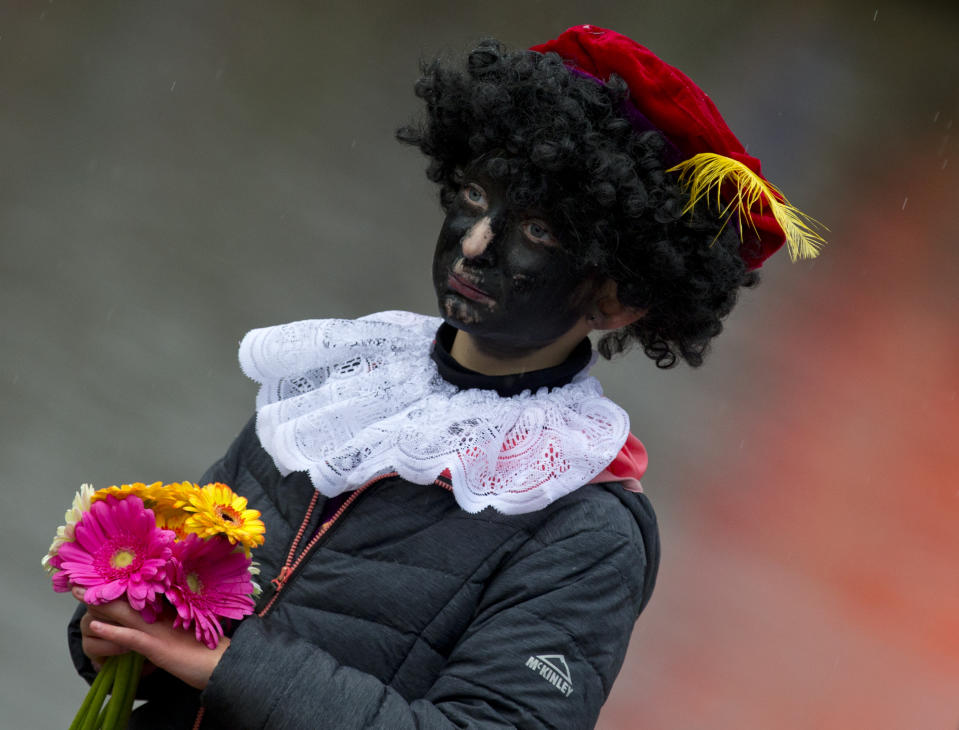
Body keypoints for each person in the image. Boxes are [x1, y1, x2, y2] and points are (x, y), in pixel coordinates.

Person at [67, 25, 822, 729]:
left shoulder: (588, 529)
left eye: (535, 230)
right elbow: (183, 603)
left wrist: (236, 668)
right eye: (473, 198)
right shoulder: (334, 386)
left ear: (617, 297)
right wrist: (110, 631)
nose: (476, 242)